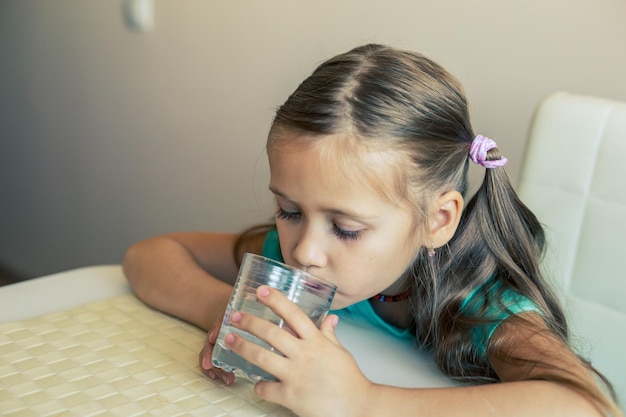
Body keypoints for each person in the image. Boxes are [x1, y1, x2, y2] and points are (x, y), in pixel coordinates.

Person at [123, 44, 622, 417]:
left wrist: (363, 400)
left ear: (437, 221)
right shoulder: (298, 266)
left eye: (346, 228)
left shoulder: (481, 303)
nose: (306, 251)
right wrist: (241, 319)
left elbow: (586, 407)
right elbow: (150, 256)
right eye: (290, 211)